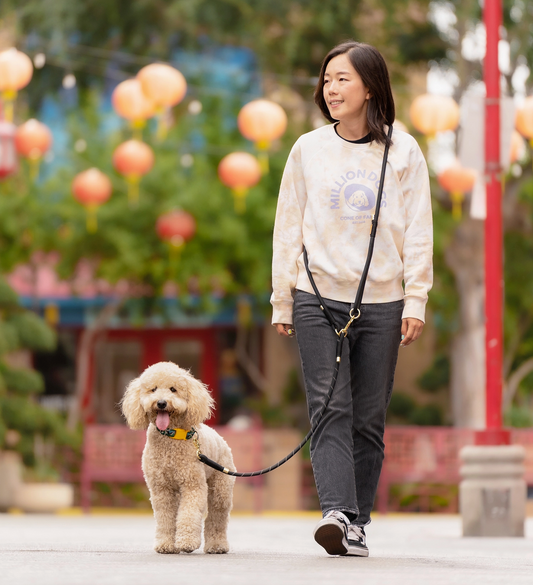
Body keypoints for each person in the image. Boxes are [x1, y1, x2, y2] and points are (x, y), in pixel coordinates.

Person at [271, 41, 433, 557]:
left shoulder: (403, 151)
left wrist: (416, 299)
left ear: (369, 86)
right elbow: (287, 227)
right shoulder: (307, 148)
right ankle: (336, 513)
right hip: (316, 296)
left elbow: (419, 231)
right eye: (326, 79)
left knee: (368, 415)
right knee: (328, 405)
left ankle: (357, 521)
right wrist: (282, 297)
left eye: (342, 78)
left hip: (383, 301)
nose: (330, 88)